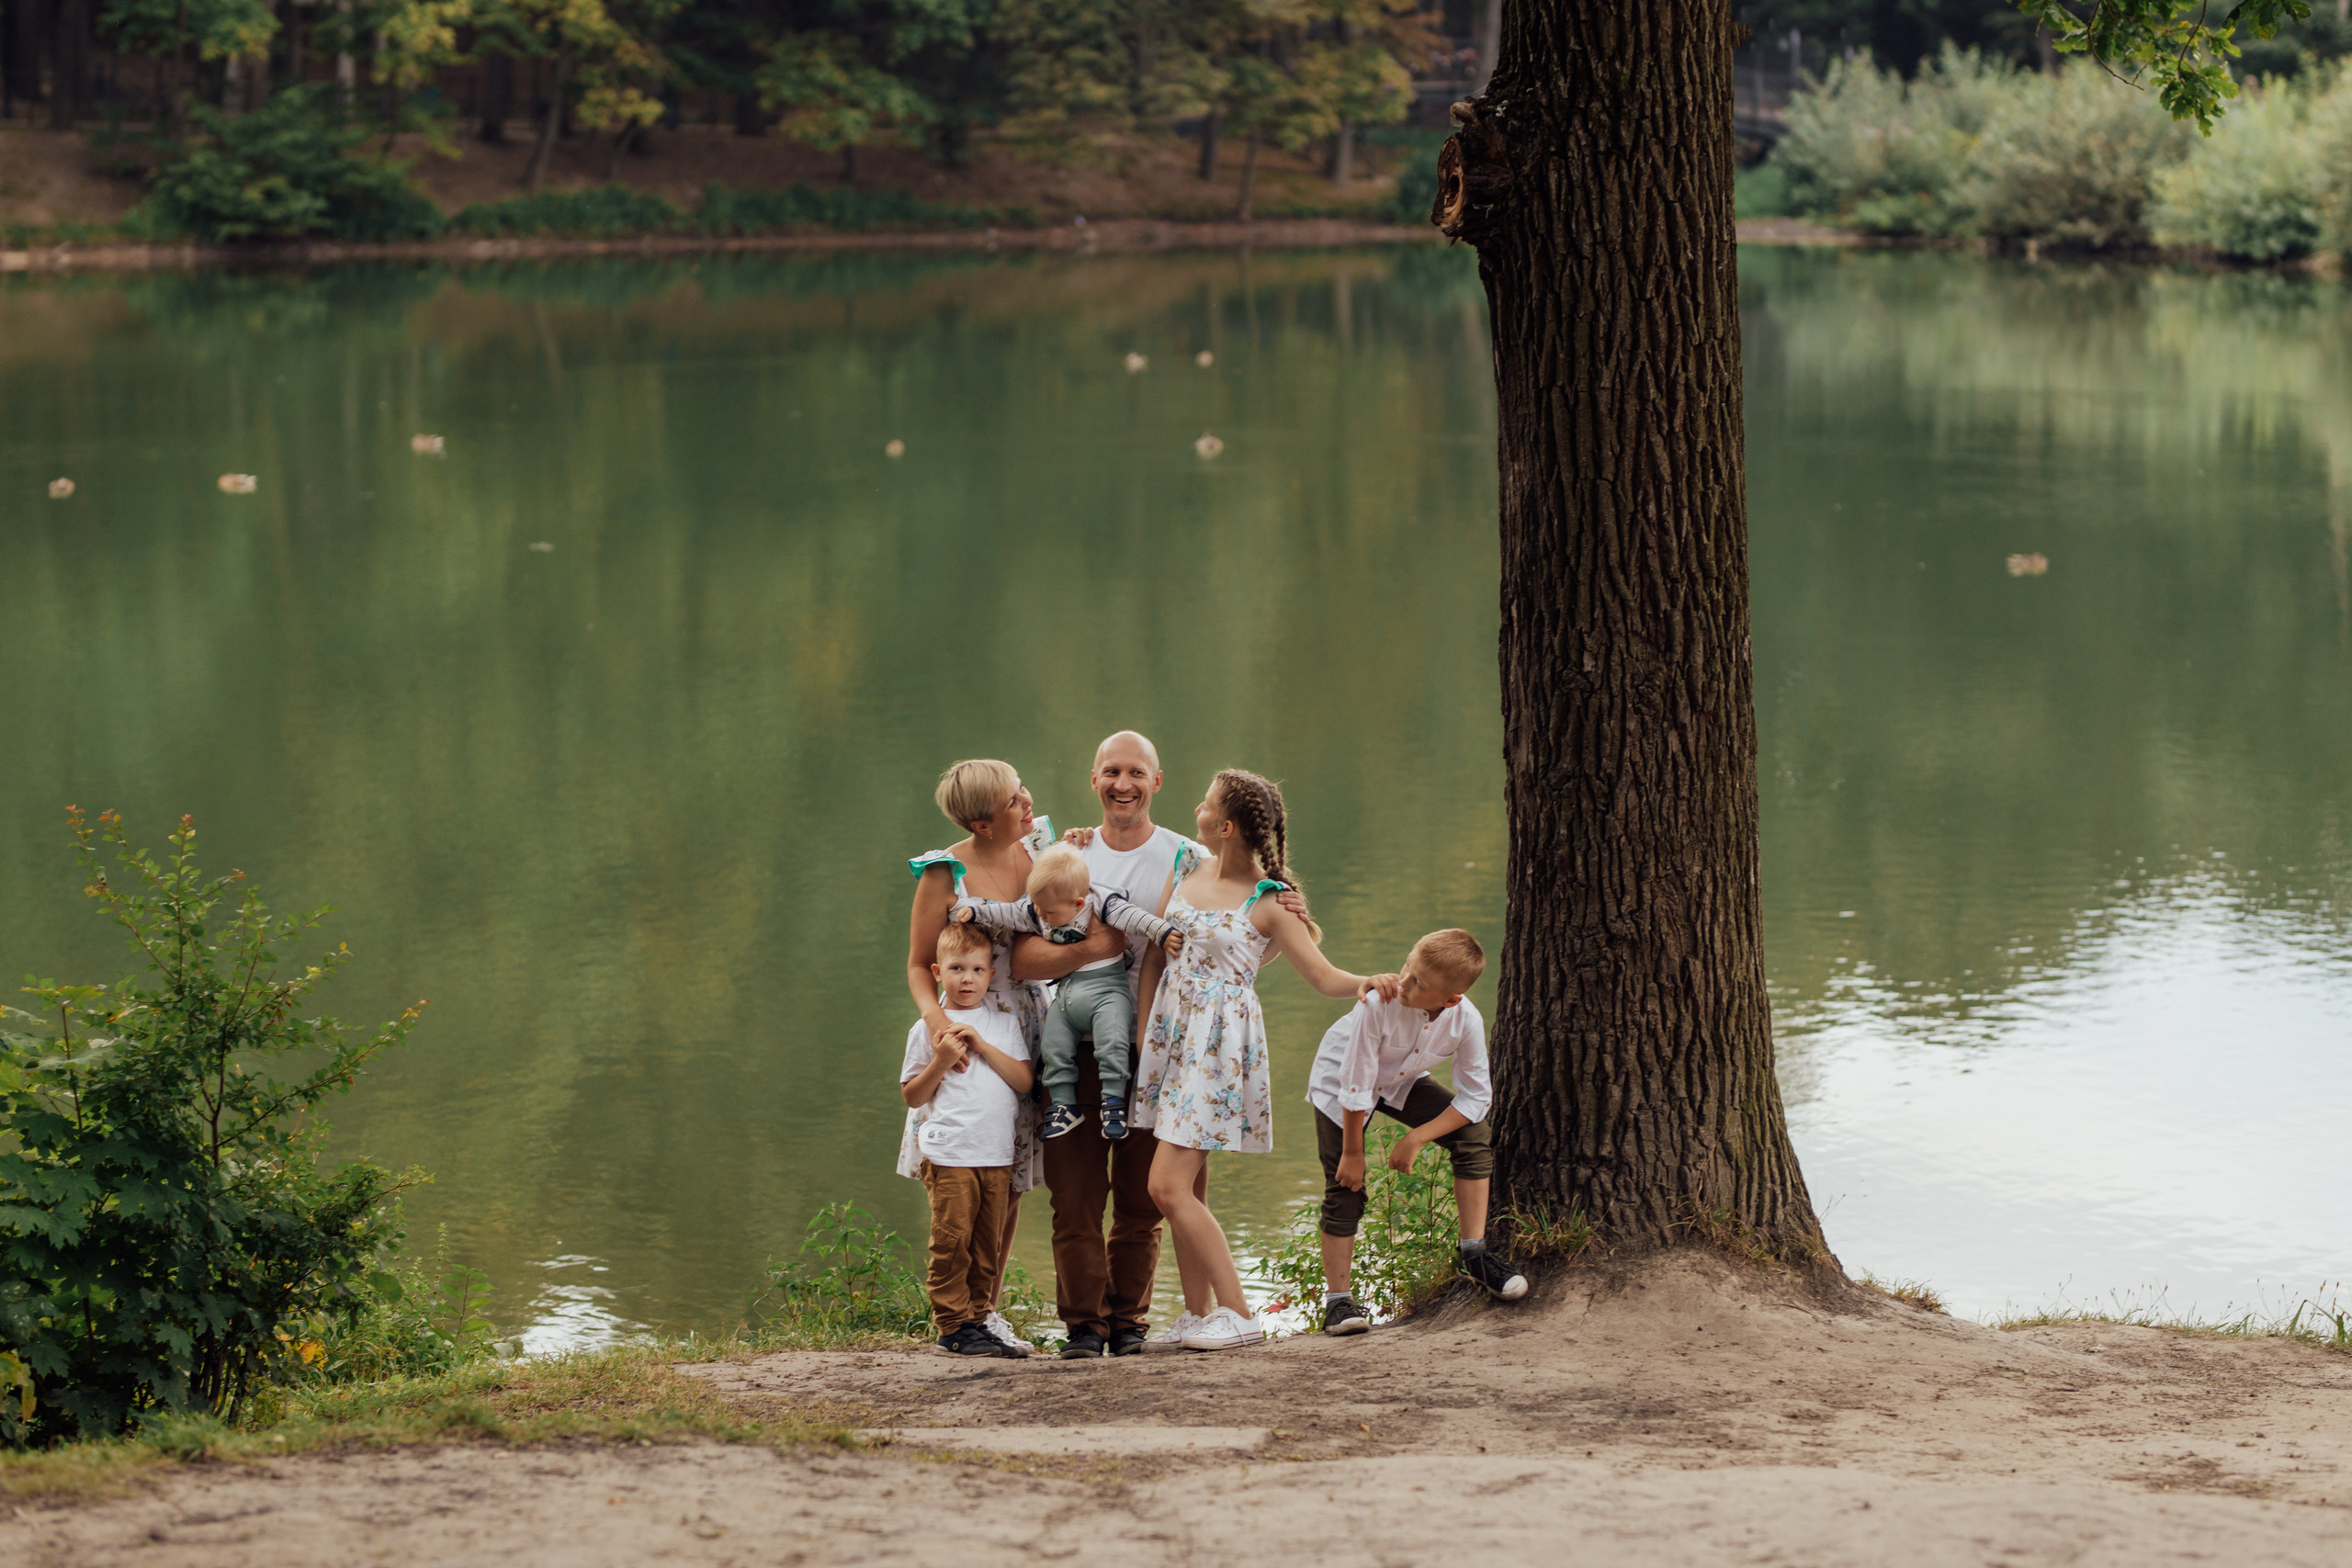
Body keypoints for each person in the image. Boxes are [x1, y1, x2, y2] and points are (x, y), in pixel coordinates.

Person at [1130, 769, 1374, 1352]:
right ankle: (1196, 1313)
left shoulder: (1270, 901)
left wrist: (1374, 983)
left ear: (1228, 825)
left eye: (1207, 805)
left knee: (1165, 1187)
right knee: (1191, 1186)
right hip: (1172, 1038)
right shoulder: (1187, 868)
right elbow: (1155, 957)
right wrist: (1145, 1038)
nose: (1197, 808)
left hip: (1217, 1049)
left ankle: (1239, 1313)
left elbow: (1322, 976)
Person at [905, 758, 1124, 1357]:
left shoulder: (1043, 847)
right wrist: (939, 1025)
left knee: (1012, 1175)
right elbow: (917, 965)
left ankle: (987, 1308)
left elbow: (1090, 892)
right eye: (1011, 799)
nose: (1027, 800)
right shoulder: (943, 874)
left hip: (1029, 1027)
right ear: (980, 822)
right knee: (963, 1175)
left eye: (1023, 786)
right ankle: (961, 1314)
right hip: (966, 1028)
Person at [1306, 928, 1529, 1336]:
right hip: (1341, 1083)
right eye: (1407, 966)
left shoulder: (1466, 1020)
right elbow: (1356, 1084)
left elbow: (1477, 1097)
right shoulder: (1379, 1003)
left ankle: (1473, 1254)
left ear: (1450, 1000)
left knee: (1474, 1137)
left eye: (1417, 983)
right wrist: (1353, 1154)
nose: (1403, 982)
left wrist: (1417, 1136)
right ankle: (1338, 1302)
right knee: (1345, 1183)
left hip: (1400, 1080)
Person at [950, 842, 1182, 1142]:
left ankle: (1112, 1102)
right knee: (1053, 1046)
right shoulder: (1039, 906)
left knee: (1112, 1043)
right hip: (1067, 998)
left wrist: (1162, 933)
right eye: (1036, 909)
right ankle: (1063, 1106)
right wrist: (976, 912)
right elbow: (1008, 913)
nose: (1039, 917)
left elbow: (1136, 918)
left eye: (1046, 913)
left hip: (1108, 994)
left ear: (1077, 903)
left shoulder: (1102, 903)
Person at [900, 922, 1036, 1357]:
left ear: (991, 976)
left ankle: (979, 1320)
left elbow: (1023, 1081)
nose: (967, 979)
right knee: (952, 1241)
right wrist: (941, 1060)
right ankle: (952, 1325)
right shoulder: (927, 1029)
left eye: (977, 970)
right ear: (938, 972)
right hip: (950, 1153)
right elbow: (913, 1095)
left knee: (986, 1246)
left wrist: (980, 1044)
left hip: (995, 1154)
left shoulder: (1003, 1024)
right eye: (957, 969)